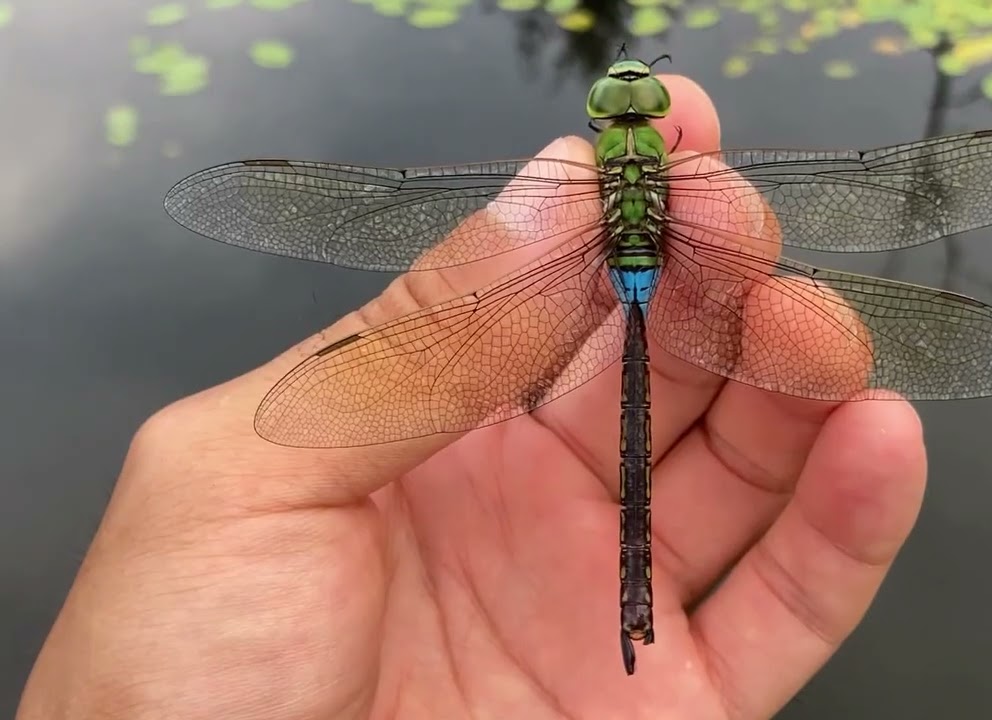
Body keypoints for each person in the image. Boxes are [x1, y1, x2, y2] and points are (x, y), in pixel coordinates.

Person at [18, 75, 925, 719]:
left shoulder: (587, 176)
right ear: (658, 137)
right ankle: (633, 605)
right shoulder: (673, 170)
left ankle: (630, 607)